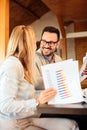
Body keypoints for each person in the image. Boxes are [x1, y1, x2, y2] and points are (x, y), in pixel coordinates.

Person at [0, 25, 79, 130]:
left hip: (28, 118)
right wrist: (37, 101)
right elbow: (5, 105)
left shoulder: (23, 64)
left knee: (72, 125)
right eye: (34, 41)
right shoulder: (12, 65)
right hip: (16, 124)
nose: (35, 45)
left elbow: (26, 95)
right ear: (26, 44)